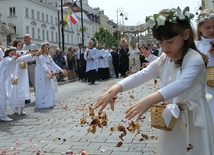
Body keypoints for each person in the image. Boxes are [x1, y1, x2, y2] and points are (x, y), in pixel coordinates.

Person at [94, 7, 214, 155]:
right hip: (172, 119)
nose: (164, 47)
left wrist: (150, 100)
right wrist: (115, 89)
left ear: (186, 34)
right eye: (160, 42)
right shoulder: (165, 59)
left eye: (169, 41)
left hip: (195, 119)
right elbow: (142, 75)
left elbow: (182, 83)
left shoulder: (194, 58)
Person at [0, 47, 37, 121]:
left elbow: (22, 59)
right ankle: (3, 116)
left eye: (14, 53)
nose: (13, 55)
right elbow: (11, 60)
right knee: (3, 98)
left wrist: (32, 55)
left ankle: (2, 115)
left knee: (3, 98)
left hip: (3, 81)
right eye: (12, 53)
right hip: (1, 82)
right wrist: (15, 57)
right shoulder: (6, 59)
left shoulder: (13, 60)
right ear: (8, 53)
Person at [35, 42, 66, 109]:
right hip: (42, 74)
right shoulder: (40, 56)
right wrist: (48, 72)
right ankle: (43, 104)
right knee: (43, 88)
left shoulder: (48, 56)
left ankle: (51, 103)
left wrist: (61, 70)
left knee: (50, 88)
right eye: (45, 47)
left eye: (48, 48)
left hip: (48, 74)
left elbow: (53, 64)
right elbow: (44, 65)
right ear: (42, 48)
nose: (47, 49)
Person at [195, 9, 214, 122]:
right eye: (208, 27)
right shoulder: (195, 47)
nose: (212, 30)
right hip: (203, 89)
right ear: (199, 27)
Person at [10, 40, 31, 115]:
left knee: (23, 89)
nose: (20, 46)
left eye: (21, 45)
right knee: (16, 89)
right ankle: (15, 106)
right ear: (15, 46)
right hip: (16, 73)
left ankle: (22, 108)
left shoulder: (24, 52)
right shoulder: (14, 53)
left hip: (23, 74)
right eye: (19, 45)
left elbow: (27, 58)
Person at [23, 34, 38, 100]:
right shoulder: (23, 47)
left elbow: (38, 54)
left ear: (30, 39)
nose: (25, 39)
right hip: (25, 66)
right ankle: (27, 97)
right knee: (25, 82)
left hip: (32, 65)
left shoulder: (34, 46)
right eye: (24, 38)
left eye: (26, 38)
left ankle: (37, 94)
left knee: (34, 81)